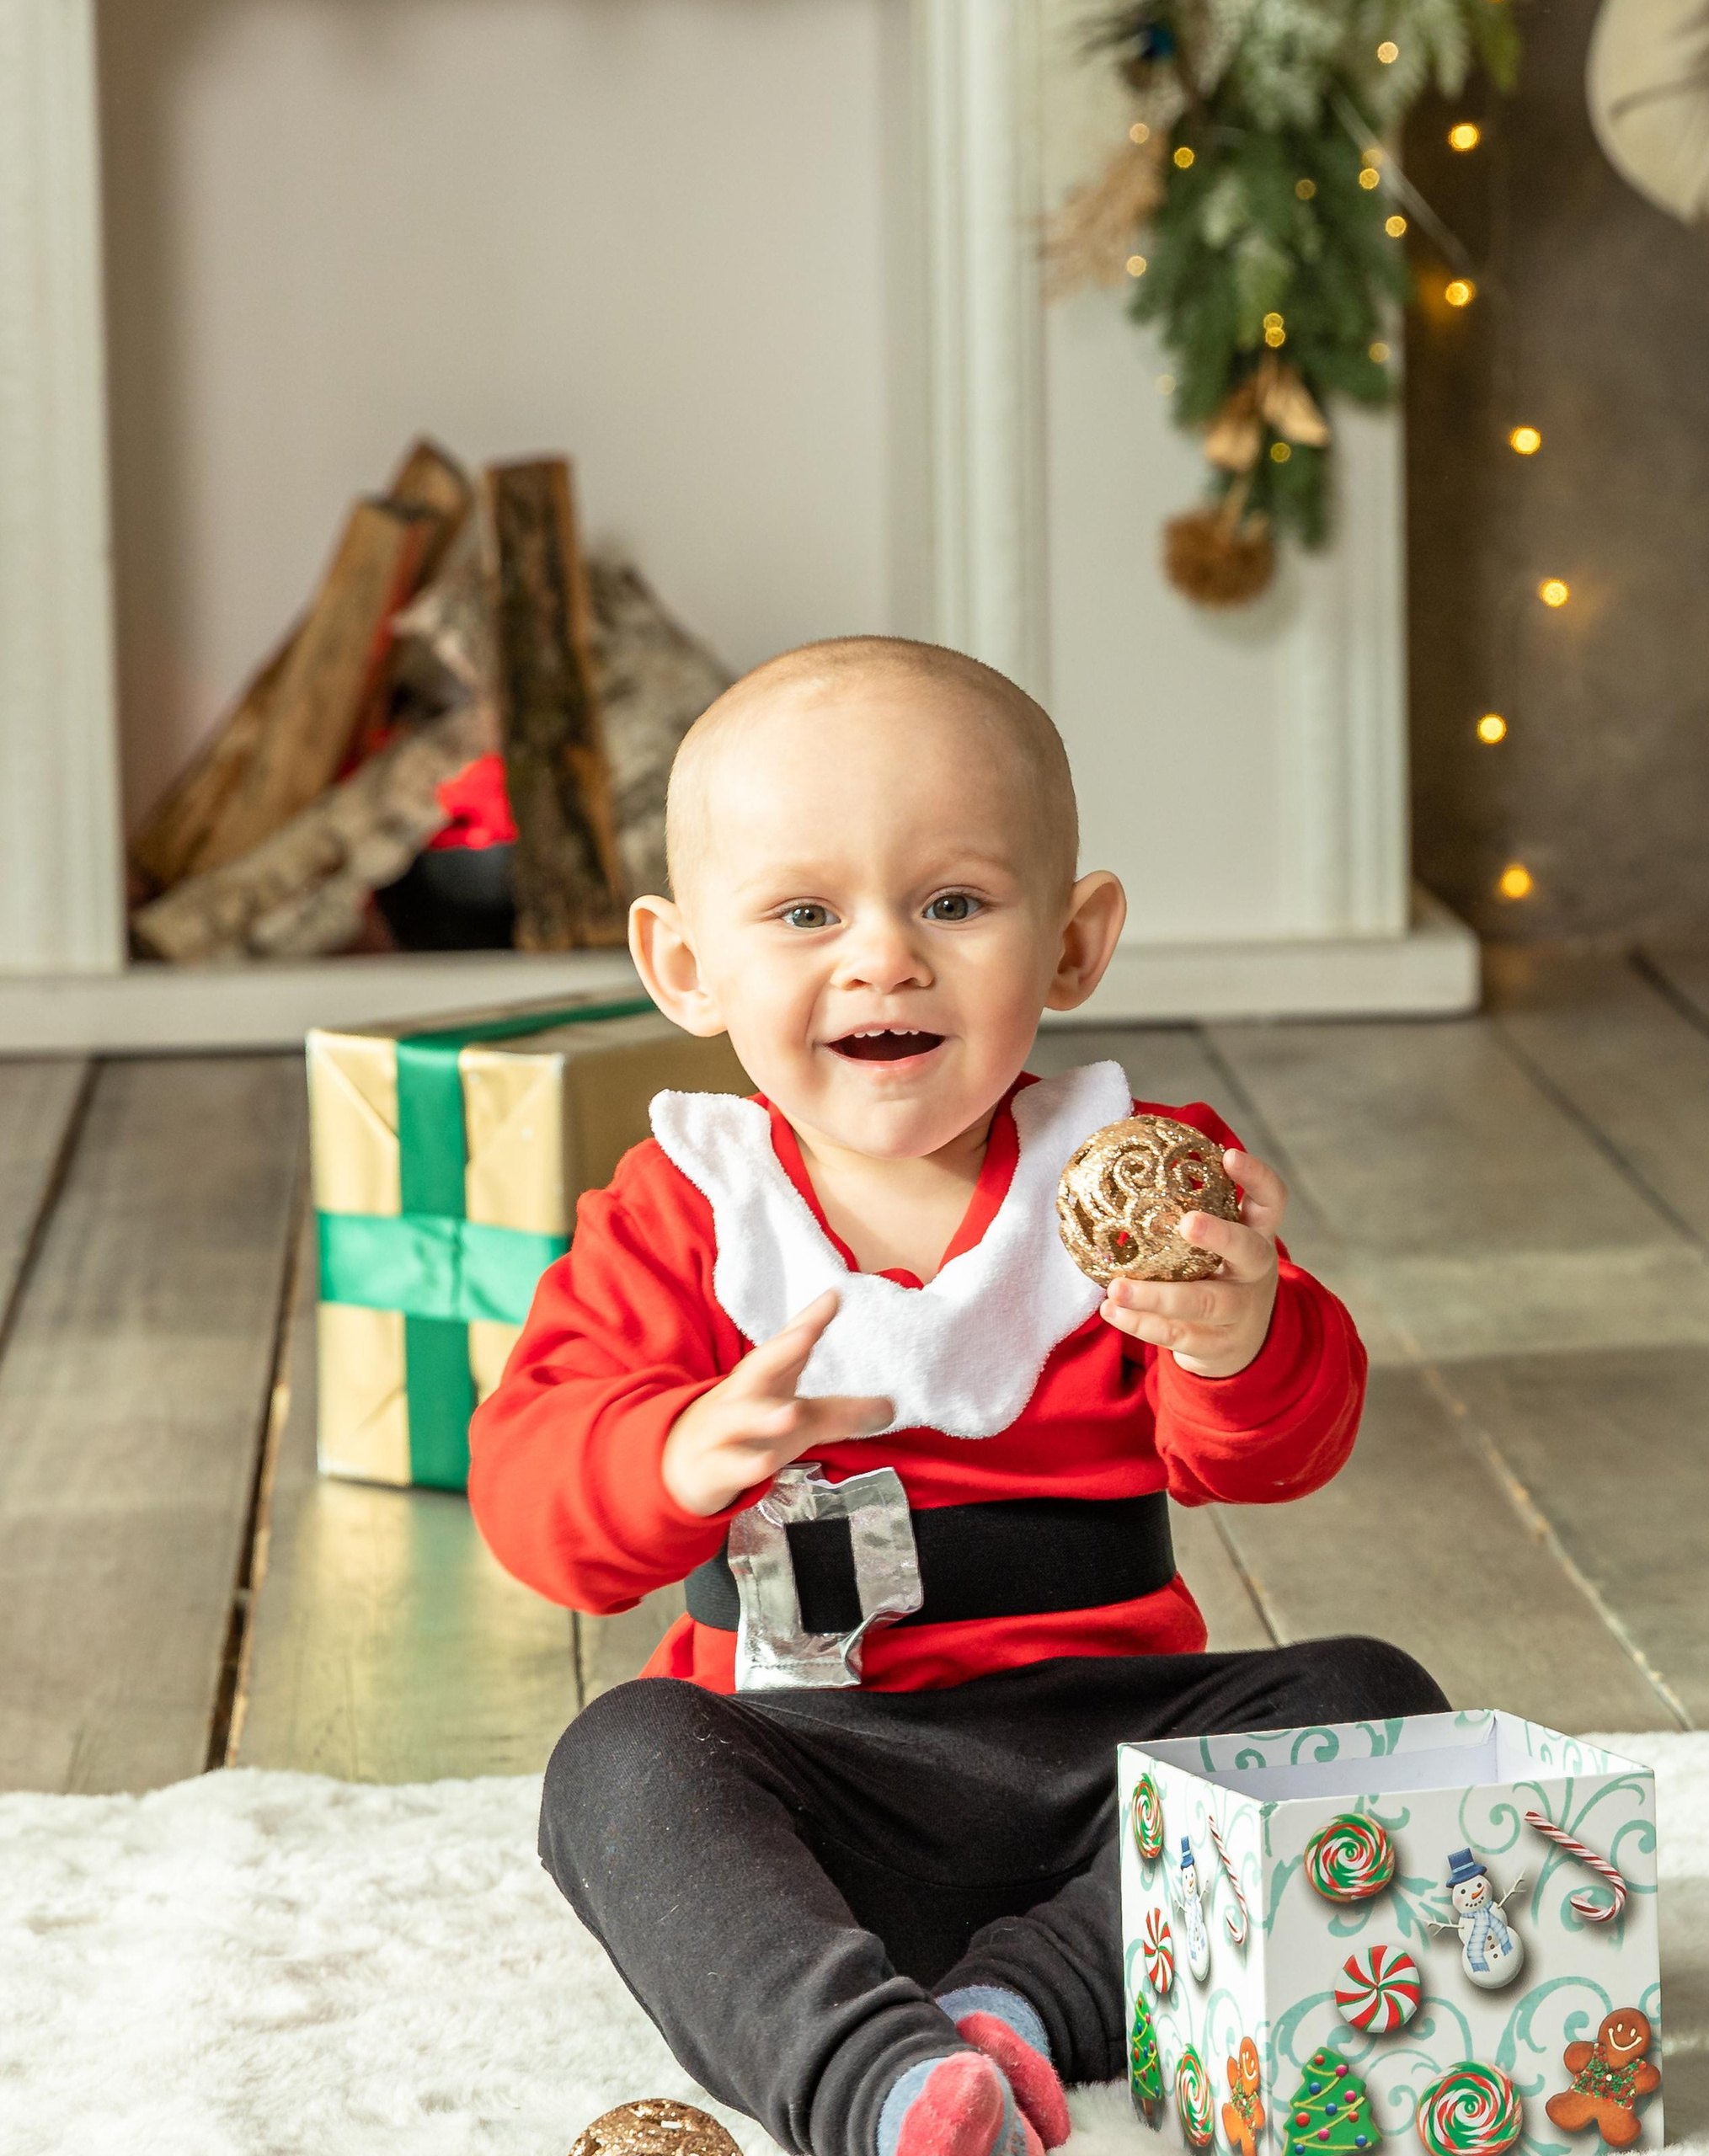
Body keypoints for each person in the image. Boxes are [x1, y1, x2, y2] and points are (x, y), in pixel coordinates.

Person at [468, 637, 1445, 2156]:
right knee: (621, 1762)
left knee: (1372, 1704)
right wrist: (670, 1450)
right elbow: (535, 1497)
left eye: (954, 904)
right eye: (804, 913)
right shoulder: (683, 1215)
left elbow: (1268, 1459)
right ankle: (869, 2080)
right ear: (685, 966)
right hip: (823, 1785)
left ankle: (1021, 2011)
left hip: (1109, 1779)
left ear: (1071, 943)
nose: (884, 960)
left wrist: (1238, 1335)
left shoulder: (1135, 1174)